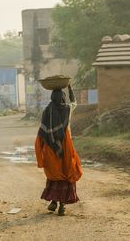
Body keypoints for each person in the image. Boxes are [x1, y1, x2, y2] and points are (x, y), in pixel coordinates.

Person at [35, 84, 82, 216]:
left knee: (54, 174)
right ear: (62, 98)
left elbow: (42, 133)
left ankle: (54, 202)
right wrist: (70, 89)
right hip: (66, 146)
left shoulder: (47, 111)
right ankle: (62, 206)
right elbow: (74, 103)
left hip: (51, 148)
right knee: (66, 172)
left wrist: (42, 150)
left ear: (52, 98)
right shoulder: (68, 109)